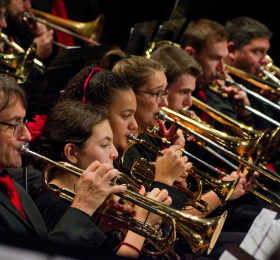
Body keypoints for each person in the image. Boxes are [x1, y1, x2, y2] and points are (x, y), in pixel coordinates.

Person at [0, 74, 155, 259]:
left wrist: (100, 225)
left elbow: (45, 244)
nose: (26, 135)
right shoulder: (47, 201)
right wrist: (83, 207)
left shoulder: (13, 188)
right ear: (72, 153)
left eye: (23, 122)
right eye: (14, 125)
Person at [28, 98, 172, 259]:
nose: (115, 154)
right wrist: (140, 229)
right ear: (72, 153)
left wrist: (110, 229)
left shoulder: (83, 197)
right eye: (104, 145)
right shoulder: (54, 206)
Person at [4, 0, 54, 65]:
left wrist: (34, 35)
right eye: (23, 0)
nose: (28, 6)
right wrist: (35, 54)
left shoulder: (19, 26)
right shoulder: (4, 28)